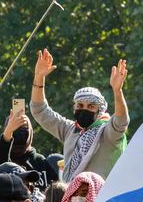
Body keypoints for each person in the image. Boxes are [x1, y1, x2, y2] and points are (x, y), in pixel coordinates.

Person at [30, 49, 129, 181]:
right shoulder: (70, 130)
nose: (84, 110)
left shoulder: (106, 132)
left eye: (91, 106)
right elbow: (40, 110)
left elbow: (121, 121)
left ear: (100, 110)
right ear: (74, 107)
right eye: (80, 106)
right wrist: (39, 77)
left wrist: (117, 91)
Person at [0, 109, 58, 184]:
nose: (19, 130)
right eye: (14, 127)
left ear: (30, 130)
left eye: (23, 126)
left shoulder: (40, 161)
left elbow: (56, 191)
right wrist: (8, 133)